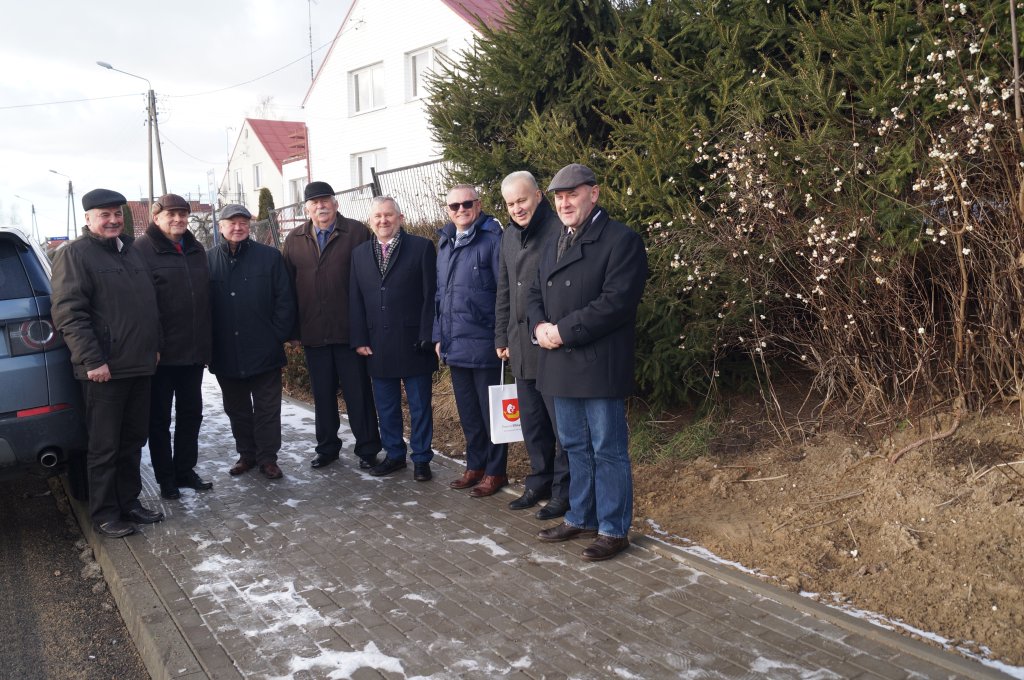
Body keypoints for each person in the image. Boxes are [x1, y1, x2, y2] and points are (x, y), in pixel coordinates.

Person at [527, 164, 649, 561]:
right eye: (559, 197)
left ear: (593, 194)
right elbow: (533, 292)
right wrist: (539, 327)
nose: (564, 203)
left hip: (598, 364)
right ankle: (581, 516)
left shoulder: (621, 240)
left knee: (607, 449)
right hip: (558, 362)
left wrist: (563, 331)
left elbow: (615, 303)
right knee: (575, 447)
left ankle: (613, 529)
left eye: (572, 194)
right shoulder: (554, 240)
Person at [51, 188, 164, 538]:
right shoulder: (75, 255)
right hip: (104, 370)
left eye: (117, 213)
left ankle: (129, 502)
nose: (113, 220)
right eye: (105, 215)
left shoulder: (130, 250)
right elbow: (69, 313)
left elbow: (148, 304)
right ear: (88, 219)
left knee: (133, 440)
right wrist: (92, 360)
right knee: (104, 446)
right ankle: (104, 514)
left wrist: (154, 346)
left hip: (139, 364)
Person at [282, 181, 382, 471]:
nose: (321, 206)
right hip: (313, 332)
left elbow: (371, 281)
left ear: (336, 204)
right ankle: (327, 449)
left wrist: (367, 329)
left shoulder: (357, 232)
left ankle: (367, 449)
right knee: (322, 396)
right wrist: (293, 331)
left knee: (358, 394)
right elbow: (287, 287)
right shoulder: (294, 239)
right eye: (314, 203)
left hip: (350, 332)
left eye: (325, 200)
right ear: (306, 209)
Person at [496, 171, 570, 520]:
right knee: (532, 424)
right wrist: (501, 336)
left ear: (538, 196)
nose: (517, 208)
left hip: (550, 345)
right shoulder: (508, 235)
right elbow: (504, 289)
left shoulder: (558, 230)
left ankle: (564, 492)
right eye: (511, 204)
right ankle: (539, 481)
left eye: (522, 200)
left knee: (561, 426)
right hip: (519, 346)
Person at [350, 196, 438, 481]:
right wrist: (359, 338)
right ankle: (395, 455)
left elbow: (431, 295)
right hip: (377, 344)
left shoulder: (421, 247)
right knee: (386, 407)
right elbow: (355, 299)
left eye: (388, 215)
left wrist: (428, 335)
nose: (383, 220)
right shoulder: (359, 254)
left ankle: (422, 458)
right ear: (370, 221)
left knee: (419, 406)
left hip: (414, 343)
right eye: (377, 216)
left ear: (400, 218)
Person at [133, 194, 213, 500]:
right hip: (161, 355)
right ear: (156, 218)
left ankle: (185, 470)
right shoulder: (142, 250)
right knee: (159, 420)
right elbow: (142, 305)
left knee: (191, 414)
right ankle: (166, 478)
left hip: (192, 352)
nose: (178, 219)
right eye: (171, 214)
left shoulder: (196, 248)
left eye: (183, 214)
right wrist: (153, 344)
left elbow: (204, 298)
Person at [207, 204, 295, 480]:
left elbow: (284, 299)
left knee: (268, 409)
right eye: (231, 223)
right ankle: (247, 454)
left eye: (243, 222)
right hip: (226, 351)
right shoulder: (207, 261)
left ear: (249, 226)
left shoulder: (269, 257)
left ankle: (268, 458)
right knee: (237, 409)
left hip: (264, 349)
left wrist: (276, 336)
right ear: (221, 227)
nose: (238, 227)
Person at [434, 184, 508, 497]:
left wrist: (502, 337)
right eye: (455, 206)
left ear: (478, 205)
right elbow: (440, 295)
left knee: (491, 415)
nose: (461, 210)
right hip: (455, 345)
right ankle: (475, 465)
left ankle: (495, 471)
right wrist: (438, 336)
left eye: (467, 204)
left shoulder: (493, 239)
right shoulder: (445, 241)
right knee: (469, 414)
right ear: (448, 210)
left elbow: (504, 293)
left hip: (485, 343)